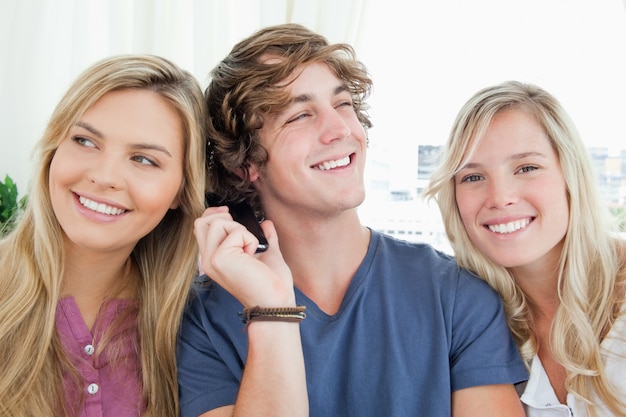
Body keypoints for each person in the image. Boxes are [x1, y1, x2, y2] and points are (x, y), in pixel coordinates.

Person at [177, 23, 527, 417]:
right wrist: (271, 309)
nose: (341, 129)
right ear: (245, 165)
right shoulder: (202, 321)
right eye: (299, 115)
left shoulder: (458, 297)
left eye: (343, 104)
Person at [0, 54, 208, 417]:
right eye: (84, 141)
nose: (104, 176)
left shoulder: (193, 323)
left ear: (181, 191)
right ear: (53, 149)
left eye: (144, 159)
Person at [425, 80, 626, 416]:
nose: (500, 197)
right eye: (473, 177)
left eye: (527, 168)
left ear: (569, 174)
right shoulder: (466, 323)